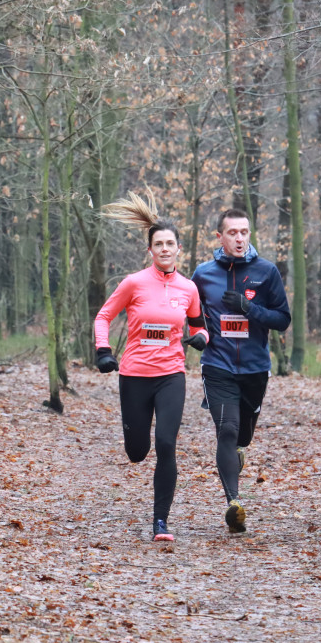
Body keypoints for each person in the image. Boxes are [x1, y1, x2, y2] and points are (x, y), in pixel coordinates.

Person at [94, 190, 209, 542]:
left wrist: (201, 338)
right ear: (150, 250)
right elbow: (104, 316)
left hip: (171, 376)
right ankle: (136, 444)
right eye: (158, 243)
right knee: (137, 451)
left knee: (166, 444)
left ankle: (161, 523)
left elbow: (199, 325)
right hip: (134, 375)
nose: (164, 249)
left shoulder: (188, 288)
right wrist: (103, 350)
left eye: (170, 243)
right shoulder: (134, 283)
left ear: (178, 249)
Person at [191, 208, 291, 533]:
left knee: (243, 436)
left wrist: (249, 308)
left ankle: (237, 456)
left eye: (244, 232)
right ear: (219, 237)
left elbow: (282, 319)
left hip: (254, 369)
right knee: (227, 429)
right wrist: (196, 334)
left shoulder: (266, 271)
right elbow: (191, 313)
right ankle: (234, 503)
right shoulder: (203, 274)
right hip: (217, 364)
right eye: (232, 232)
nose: (239, 238)